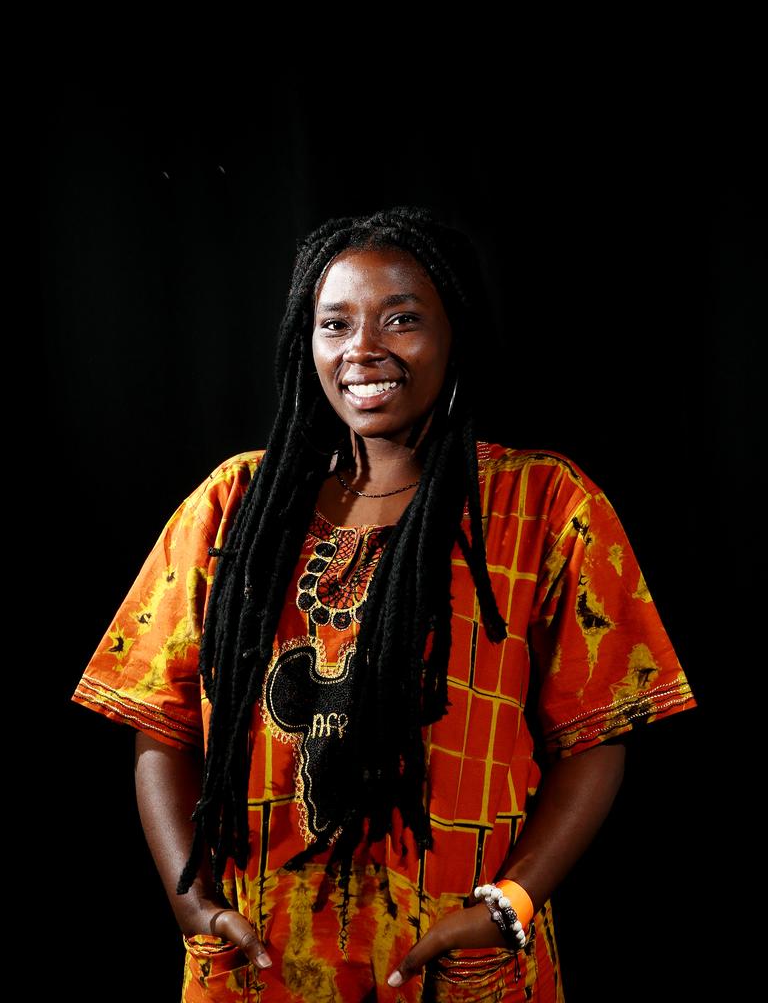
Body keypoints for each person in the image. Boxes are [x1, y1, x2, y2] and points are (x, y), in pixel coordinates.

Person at [73, 205, 696, 1002]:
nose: (362, 349)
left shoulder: (544, 505)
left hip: (458, 959)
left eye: (401, 319)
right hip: (261, 959)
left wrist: (511, 905)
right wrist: (193, 906)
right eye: (335, 324)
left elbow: (596, 737)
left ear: (454, 335)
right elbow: (158, 728)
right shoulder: (234, 505)